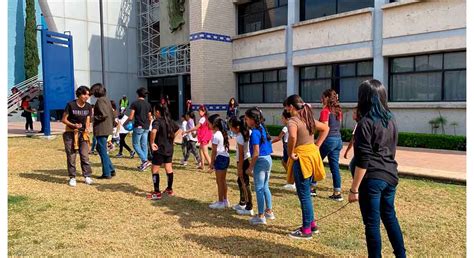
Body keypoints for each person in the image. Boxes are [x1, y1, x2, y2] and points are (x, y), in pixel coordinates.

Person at [348, 79, 406, 258]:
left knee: (372, 223)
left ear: (363, 98)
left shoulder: (365, 123)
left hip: (372, 179)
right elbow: (392, 148)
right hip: (390, 175)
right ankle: (401, 255)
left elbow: (363, 160)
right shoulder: (391, 119)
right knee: (389, 217)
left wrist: (354, 189)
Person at [283, 94, 329, 240]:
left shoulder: (293, 121)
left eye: (286, 107)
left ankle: (306, 230)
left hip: (301, 158)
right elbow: (325, 128)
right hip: (311, 156)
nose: (286, 110)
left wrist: (290, 152)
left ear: (291, 107)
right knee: (307, 192)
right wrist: (317, 145)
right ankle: (312, 224)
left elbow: (292, 137)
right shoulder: (307, 118)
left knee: (304, 195)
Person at [244, 107, 274, 225]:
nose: (245, 121)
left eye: (246, 119)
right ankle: (269, 211)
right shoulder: (262, 128)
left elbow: (255, 152)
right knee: (265, 186)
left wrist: (250, 167)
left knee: (259, 189)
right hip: (268, 159)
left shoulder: (255, 133)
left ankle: (261, 215)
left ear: (252, 119)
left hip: (260, 161)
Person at [61, 86, 93, 187]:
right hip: (71, 133)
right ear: (79, 95)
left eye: (88, 94)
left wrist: (87, 128)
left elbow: (88, 119)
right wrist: (73, 125)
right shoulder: (71, 105)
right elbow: (64, 119)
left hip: (83, 134)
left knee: (85, 155)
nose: (86, 96)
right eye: (84, 94)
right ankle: (72, 177)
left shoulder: (88, 106)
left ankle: (87, 175)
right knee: (71, 156)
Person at [315, 89, 344, 201]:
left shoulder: (325, 111)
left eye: (322, 97)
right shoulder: (338, 111)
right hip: (338, 140)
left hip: (328, 140)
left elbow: (325, 128)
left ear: (327, 98)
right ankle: (337, 193)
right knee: (334, 167)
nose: (321, 100)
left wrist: (317, 143)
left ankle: (312, 188)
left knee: (316, 162)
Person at [147, 104, 180, 200]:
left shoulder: (157, 121)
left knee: (154, 169)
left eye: (154, 111)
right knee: (168, 168)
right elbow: (178, 130)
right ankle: (169, 189)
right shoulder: (169, 121)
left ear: (157, 112)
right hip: (169, 148)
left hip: (159, 149)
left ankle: (157, 192)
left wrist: (152, 142)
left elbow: (153, 131)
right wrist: (172, 139)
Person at [90, 83, 116, 179]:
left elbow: (103, 114)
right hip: (107, 128)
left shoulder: (100, 101)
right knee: (100, 148)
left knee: (103, 151)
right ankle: (111, 169)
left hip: (101, 129)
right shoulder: (106, 100)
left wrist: (93, 118)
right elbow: (112, 114)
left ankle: (106, 173)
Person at [229, 116, 254, 216]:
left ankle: (249, 206)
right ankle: (242, 202)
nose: (231, 129)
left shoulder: (240, 137)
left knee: (244, 183)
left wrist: (239, 168)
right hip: (246, 159)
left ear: (238, 127)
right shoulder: (248, 132)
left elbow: (241, 154)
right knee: (240, 181)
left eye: (231, 127)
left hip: (243, 161)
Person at [208, 114, 231, 209]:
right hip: (225, 157)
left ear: (214, 124)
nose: (208, 125)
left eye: (209, 123)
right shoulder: (222, 133)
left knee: (219, 181)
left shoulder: (215, 136)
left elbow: (214, 151)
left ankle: (221, 202)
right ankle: (225, 200)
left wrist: (211, 164)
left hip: (220, 158)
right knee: (223, 181)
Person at [127, 87, 153, 171]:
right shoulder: (148, 104)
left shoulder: (135, 103)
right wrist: (148, 125)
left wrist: (124, 123)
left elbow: (131, 117)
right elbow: (150, 117)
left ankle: (145, 161)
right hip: (146, 127)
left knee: (135, 144)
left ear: (138, 94)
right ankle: (144, 164)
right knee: (144, 145)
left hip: (138, 126)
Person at [183, 105, 212, 170]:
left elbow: (196, 127)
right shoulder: (206, 118)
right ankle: (202, 165)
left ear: (204, 111)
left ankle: (211, 166)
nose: (199, 112)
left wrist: (186, 131)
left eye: (200, 111)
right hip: (205, 136)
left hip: (204, 137)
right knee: (201, 150)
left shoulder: (203, 118)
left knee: (205, 152)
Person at [271, 110, 295, 191]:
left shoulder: (286, 127)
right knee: (285, 163)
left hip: (287, 147)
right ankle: (290, 177)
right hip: (289, 146)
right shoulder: (292, 125)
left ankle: (292, 180)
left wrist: (269, 142)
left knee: (287, 163)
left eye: (282, 118)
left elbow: (279, 138)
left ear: (287, 118)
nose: (281, 120)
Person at [343, 108, 360, 177]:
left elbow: (352, 140)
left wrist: (346, 152)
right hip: (359, 152)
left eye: (354, 113)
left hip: (360, 152)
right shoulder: (359, 124)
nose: (352, 114)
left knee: (352, 166)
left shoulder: (359, 125)